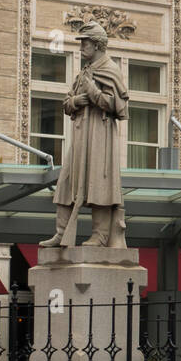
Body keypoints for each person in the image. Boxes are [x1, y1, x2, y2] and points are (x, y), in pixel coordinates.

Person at [39, 21, 129, 249]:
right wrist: (74, 101)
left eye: (85, 43)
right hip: (80, 138)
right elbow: (67, 102)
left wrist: (92, 91)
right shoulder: (84, 72)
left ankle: (99, 236)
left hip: (100, 137)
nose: (81, 48)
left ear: (97, 45)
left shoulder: (111, 70)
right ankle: (61, 233)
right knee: (66, 182)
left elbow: (117, 106)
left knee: (99, 185)